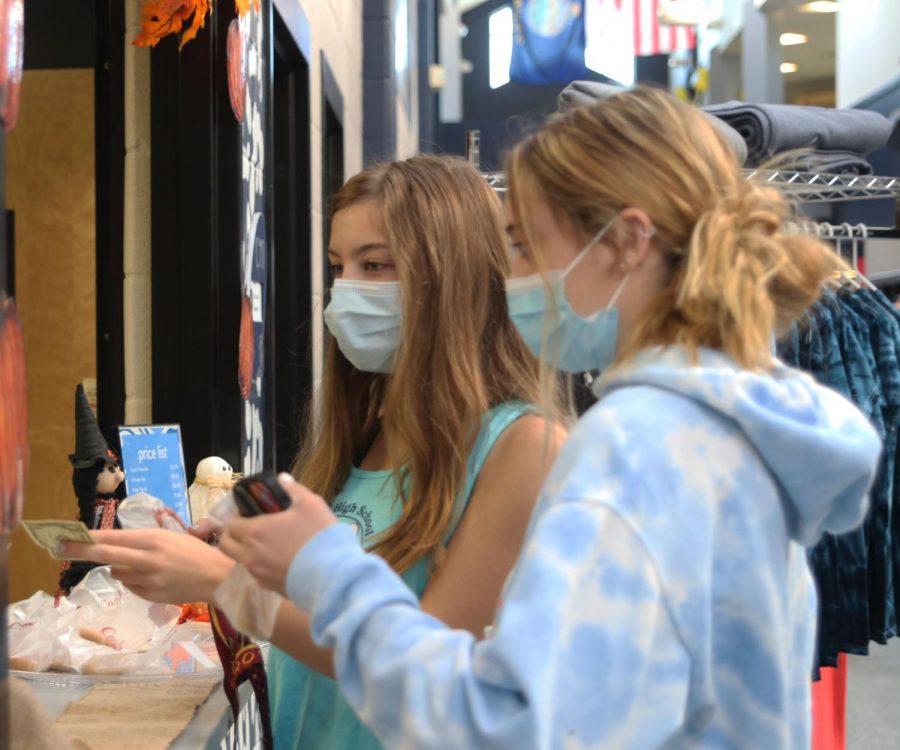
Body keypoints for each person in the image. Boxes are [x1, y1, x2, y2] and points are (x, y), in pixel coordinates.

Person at [212, 87, 882, 749]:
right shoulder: (731, 431)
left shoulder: (637, 446)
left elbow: (501, 724)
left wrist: (322, 568)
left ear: (625, 242)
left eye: (526, 246)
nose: (511, 279)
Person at [66, 154, 563, 749]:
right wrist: (236, 558)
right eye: (339, 266)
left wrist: (228, 584)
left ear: (451, 278)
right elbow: (331, 609)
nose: (347, 289)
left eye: (375, 264)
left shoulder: (522, 449)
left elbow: (424, 672)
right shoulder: (366, 433)